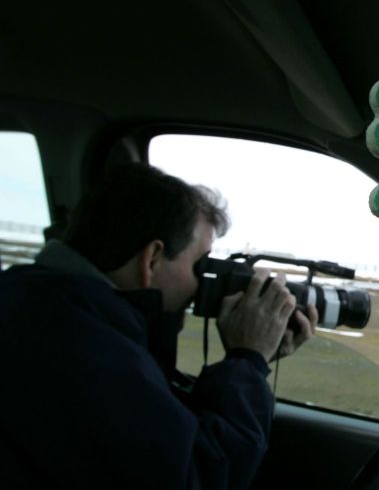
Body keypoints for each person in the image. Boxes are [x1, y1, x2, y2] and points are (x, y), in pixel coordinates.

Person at [0, 163, 318, 489]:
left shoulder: (41, 306)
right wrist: (248, 360)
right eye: (200, 264)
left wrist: (250, 360)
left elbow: (152, 429)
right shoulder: (82, 347)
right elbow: (198, 477)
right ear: (152, 258)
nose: (202, 283)